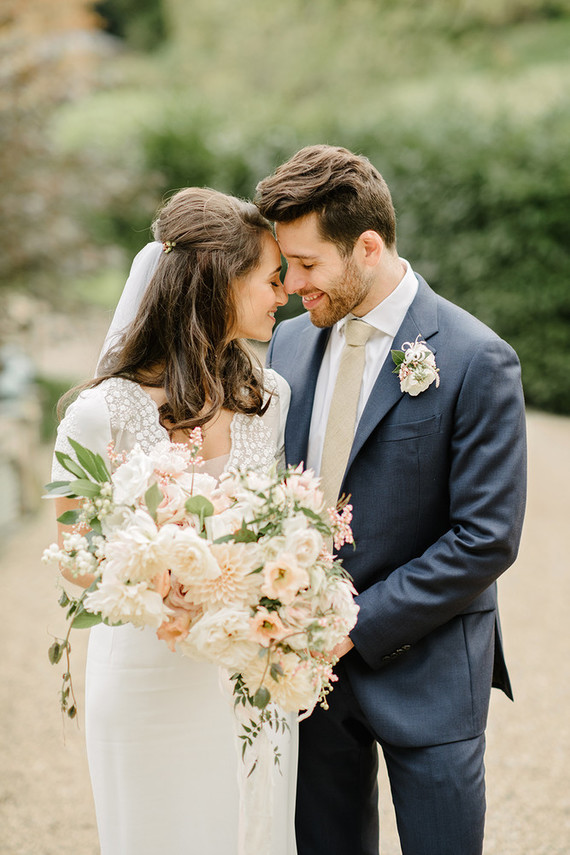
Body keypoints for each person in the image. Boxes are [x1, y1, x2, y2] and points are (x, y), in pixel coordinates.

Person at [257, 145, 527, 855]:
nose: (291, 284)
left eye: (306, 264)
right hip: (310, 681)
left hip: (429, 670)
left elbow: (487, 536)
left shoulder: (476, 358)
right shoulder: (288, 345)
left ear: (368, 248)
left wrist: (352, 623)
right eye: (286, 265)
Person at [51, 187, 297, 855]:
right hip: (145, 679)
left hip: (248, 677)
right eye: (271, 277)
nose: (284, 293)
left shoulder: (269, 399)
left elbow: (284, 526)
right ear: (221, 281)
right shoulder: (100, 414)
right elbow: (74, 555)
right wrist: (156, 577)